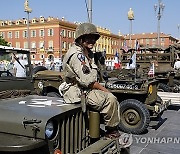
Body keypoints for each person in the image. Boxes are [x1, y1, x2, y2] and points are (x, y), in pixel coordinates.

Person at [62, 23, 121, 139]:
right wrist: (106, 91)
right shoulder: (77, 55)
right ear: (80, 38)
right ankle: (111, 131)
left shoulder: (87, 53)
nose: (92, 41)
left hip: (85, 89)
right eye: (89, 38)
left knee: (108, 96)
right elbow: (88, 81)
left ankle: (101, 126)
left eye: (94, 38)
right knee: (111, 99)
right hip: (78, 91)